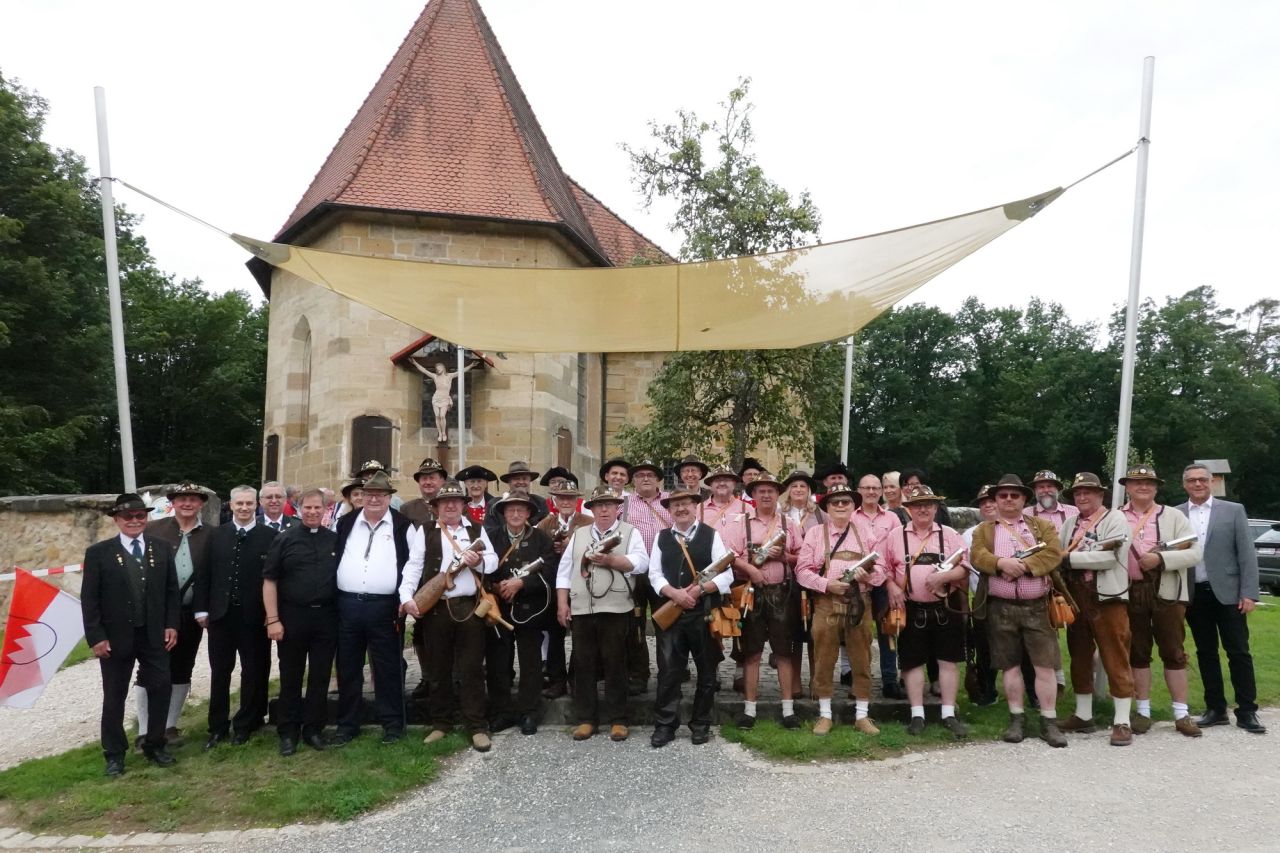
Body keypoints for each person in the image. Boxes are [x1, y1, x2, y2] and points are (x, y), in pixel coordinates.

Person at [81, 493, 180, 776]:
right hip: (115, 637)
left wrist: (172, 624)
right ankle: (114, 754)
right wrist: (96, 637)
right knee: (114, 696)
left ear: (146, 518)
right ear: (117, 519)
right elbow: (90, 599)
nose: (135, 521)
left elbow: (171, 591)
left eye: (140, 516)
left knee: (161, 687)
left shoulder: (161, 548)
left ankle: (155, 744)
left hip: (154, 635)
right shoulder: (99, 553)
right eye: (128, 517)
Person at [399, 480, 499, 752]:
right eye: (445, 502)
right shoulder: (425, 531)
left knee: (472, 670)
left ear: (463, 505)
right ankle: (440, 723)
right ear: (437, 507)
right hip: (437, 609)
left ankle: (477, 726)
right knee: (438, 669)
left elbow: (493, 562)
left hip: (470, 608)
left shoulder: (477, 530)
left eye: (456, 501)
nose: (451, 505)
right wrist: (406, 597)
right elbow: (413, 566)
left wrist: (478, 561)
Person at [970, 474, 1067, 748]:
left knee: (1045, 666)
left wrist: (1022, 566)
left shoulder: (1043, 526)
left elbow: (1053, 554)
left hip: (1037, 607)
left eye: (1015, 495)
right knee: (1010, 667)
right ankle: (1017, 717)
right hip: (1000, 609)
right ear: (996, 500)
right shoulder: (984, 531)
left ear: (1024, 498)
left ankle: (1049, 720)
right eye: (1003, 496)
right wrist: (1001, 563)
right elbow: (977, 556)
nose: (1009, 499)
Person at [332, 470, 421, 745]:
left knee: (387, 667)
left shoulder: (404, 525)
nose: (373, 499)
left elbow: (413, 565)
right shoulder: (345, 522)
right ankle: (347, 724)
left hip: (385, 607)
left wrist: (405, 598)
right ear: (361, 496)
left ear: (388, 498)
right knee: (348, 666)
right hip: (347, 604)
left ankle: (393, 724)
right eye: (369, 494)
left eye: (380, 495)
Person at [557, 486, 649, 742]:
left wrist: (613, 561)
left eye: (609, 504)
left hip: (617, 607)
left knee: (616, 664)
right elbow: (564, 572)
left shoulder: (630, 532)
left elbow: (642, 562)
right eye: (599, 505)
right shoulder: (579, 534)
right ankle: (587, 719)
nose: (604, 509)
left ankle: (618, 719)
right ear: (593, 509)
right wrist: (562, 604)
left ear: (617, 507)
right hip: (582, 608)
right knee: (583, 665)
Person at [1178, 463, 1265, 734]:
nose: (1197, 484)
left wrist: (1249, 593)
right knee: (1206, 653)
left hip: (1229, 593)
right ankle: (1215, 708)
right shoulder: (1176, 514)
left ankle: (1247, 710)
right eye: (1192, 480)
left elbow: (1246, 555)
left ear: (1212, 482)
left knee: (1238, 652)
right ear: (1184, 484)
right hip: (1195, 593)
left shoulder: (1233, 511)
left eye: (1202, 480)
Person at [796, 483, 887, 735]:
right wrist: (827, 584)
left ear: (853, 506)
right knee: (824, 658)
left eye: (845, 502)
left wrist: (865, 577)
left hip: (860, 604)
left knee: (862, 658)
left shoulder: (866, 534)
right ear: (827, 506)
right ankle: (825, 714)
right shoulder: (815, 534)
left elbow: (881, 572)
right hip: (826, 603)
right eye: (834, 502)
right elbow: (802, 571)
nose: (840, 506)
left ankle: (862, 715)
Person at [1119, 465, 1203, 737]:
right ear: (1128, 487)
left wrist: (1161, 559)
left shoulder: (1174, 516)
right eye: (1137, 483)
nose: (1143, 487)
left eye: (1149, 483)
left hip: (1168, 592)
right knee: (1138, 651)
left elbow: (1194, 553)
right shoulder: (1115, 517)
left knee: (1174, 652)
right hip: (1130, 591)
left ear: (1156, 488)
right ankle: (1143, 711)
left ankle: (1181, 713)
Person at [881, 485, 970, 738]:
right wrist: (891, 587)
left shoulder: (950, 534)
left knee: (948, 661)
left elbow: (966, 565)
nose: (923, 509)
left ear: (935, 508)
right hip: (910, 607)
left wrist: (946, 576)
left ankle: (948, 713)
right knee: (912, 663)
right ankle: (917, 714)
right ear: (909, 509)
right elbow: (883, 567)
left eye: (928, 505)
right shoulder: (896, 536)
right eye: (918, 505)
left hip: (945, 606)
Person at [648, 487, 735, 747]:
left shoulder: (712, 535)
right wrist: (674, 594)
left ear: (695, 506)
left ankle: (701, 724)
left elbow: (726, 574)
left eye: (686, 503)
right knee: (668, 672)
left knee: (707, 673)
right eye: (675, 505)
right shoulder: (661, 537)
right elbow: (654, 574)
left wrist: (698, 590)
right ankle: (665, 725)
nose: (681, 508)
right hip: (672, 613)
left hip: (703, 613)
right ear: (669, 510)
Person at [1054, 473, 1135, 746]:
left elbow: (1109, 557)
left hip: (1107, 597)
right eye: (1078, 493)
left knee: (1115, 654)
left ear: (1100, 495)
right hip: (1076, 596)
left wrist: (1069, 560)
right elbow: (1057, 553)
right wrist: (1063, 560)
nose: (1082, 497)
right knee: (1079, 655)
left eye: (1088, 491)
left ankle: (1122, 720)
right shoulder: (1069, 522)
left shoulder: (1115, 519)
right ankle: (1083, 714)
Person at [195, 484, 277, 748]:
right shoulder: (216, 535)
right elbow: (204, 574)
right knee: (220, 672)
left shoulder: (269, 536)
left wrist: (272, 614)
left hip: (254, 616)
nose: (244, 508)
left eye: (249, 504)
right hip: (221, 615)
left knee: (253, 670)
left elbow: (275, 579)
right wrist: (202, 609)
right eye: (239, 503)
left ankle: (246, 722)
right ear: (231, 506)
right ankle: (217, 726)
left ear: (257, 505)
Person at [720, 473, 802, 728]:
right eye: (761, 491)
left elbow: (803, 559)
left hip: (782, 593)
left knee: (783, 653)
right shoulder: (740, 523)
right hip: (750, 593)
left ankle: (788, 710)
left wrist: (783, 557)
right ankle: (750, 709)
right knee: (751, 653)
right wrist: (752, 570)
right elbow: (729, 556)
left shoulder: (790, 524)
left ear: (778, 494)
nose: (766, 495)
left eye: (771, 491)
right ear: (753, 495)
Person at [263, 490, 339, 756]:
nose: (313, 512)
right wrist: (273, 620)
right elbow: (270, 580)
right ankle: (288, 731)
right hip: (293, 617)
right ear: (297, 508)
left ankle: (313, 729)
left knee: (319, 676)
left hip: (326, 618)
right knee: (291, 676)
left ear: (326, 509)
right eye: (308, 507)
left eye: (318, 508)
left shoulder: (335, 540)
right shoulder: (284, 539)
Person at [140, 481, 212, 749]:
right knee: (151, 668)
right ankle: (145, 729)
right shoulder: (154, 530)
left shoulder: (211, 535)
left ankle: (169, 725)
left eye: (193, 499)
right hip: (157, 612)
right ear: (173, 502)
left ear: (201, 503)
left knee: (183, 667)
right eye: (182, 499)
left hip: (191, 612)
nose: (187, 503)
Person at [486, 490, 557, 735]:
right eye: (511, 510)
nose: (515, 514)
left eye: (520, 510)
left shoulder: (541, 539)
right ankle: (502, 711)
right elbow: (483, 568)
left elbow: (550, 571)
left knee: (531, 664)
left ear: (528, 513)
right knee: (498, 663)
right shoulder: (491, 536)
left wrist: (522, 584)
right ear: (504, 512)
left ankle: (529, 712)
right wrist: (496, 585)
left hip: (531, 610)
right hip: (499, 609)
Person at [536, 483, 592, 700]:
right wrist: (553, 548)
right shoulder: (544, 524)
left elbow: (595, 548)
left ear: (577, 500)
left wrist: (573, 546)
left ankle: (577, 678)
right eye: (561, 498)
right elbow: (538, 555)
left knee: (581, 634)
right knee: (555, 633)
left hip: (581, 582)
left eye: (570, 498)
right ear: (554, 501)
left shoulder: (588, 523)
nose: (566, 502)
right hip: (552, 585)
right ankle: (557, 679)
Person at [620, 460, 672, 694]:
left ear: (659, 479)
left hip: (664, 572)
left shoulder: (671, 501)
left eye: (650, 474)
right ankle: (638, 674)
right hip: (636, 573)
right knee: (635, 626)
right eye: (640, 475)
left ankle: (668, 674)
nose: (646, 478)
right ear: (633, 480)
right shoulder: (624, 504)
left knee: (666, 623)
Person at [854, 473, 905, 700]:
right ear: (859, 491)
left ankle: (889, 679)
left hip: (886, 583)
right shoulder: (852, 517)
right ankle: (860, 680)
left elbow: (898, 554)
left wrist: (893, 583)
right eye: (867, 488)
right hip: (861, 582)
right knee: (860, 633)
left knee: (888, 631)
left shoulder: (892, 519)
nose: (872, 492)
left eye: (876, 488)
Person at [962, 485, 1000, 706]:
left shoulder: (1012, 529)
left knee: (1020, 648)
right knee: (984, 647)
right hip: (981, 598)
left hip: (1011, 596)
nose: (987, 505)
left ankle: (1033, 694)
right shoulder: (969, 534)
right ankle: (987, 690)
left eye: (991, 500)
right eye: (982, 502)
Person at [409, 359, 477, 443]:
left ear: (443, 368)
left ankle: (444, 433)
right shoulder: (435, 376)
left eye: (440, 367)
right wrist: (415, 363)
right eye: (437, 368)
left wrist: (471, 366)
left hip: (445, 399)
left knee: (442, 416)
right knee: (437, 416)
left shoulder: (449, 376)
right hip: (436, 398)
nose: (438, 369)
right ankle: (440, 433)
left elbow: (461, 371)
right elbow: (424, 370)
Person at [485, 461, 548, 535]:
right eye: (517, 479)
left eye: (524, 479)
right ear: (509, 482)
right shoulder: (494, 505)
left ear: (529, 481)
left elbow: (546, 532)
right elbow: (490, 533)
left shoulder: (540, 503)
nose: (521, 482)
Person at [399, 458, 447, 529]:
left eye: (432, 478)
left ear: (442, 481)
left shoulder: (452, 507)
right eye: (424, 478)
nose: (428, 482)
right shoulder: (407, 509)